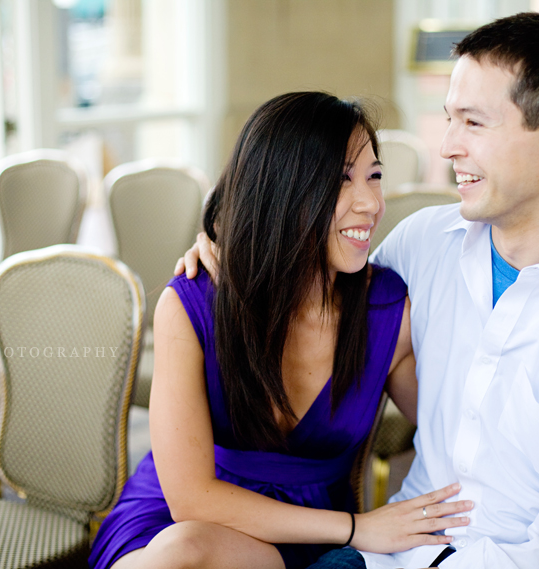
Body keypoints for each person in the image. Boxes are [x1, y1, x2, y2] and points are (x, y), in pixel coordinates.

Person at [181, 13, 539, 569]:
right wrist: (225, 254)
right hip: (389, 554)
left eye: (473, 123)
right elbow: (314, 293)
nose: (447, 146)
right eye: (449, 119)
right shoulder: (425, 244)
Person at [88, 92, 473, 569]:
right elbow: (191, 502)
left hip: (305, 532)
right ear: (280, 193)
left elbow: (462, 433)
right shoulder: (193, 302)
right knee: (182, 551)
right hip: (171, 521)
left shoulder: (388, 311)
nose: (371, 203)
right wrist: (360, 528)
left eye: (374, 176)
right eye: (340, 181)